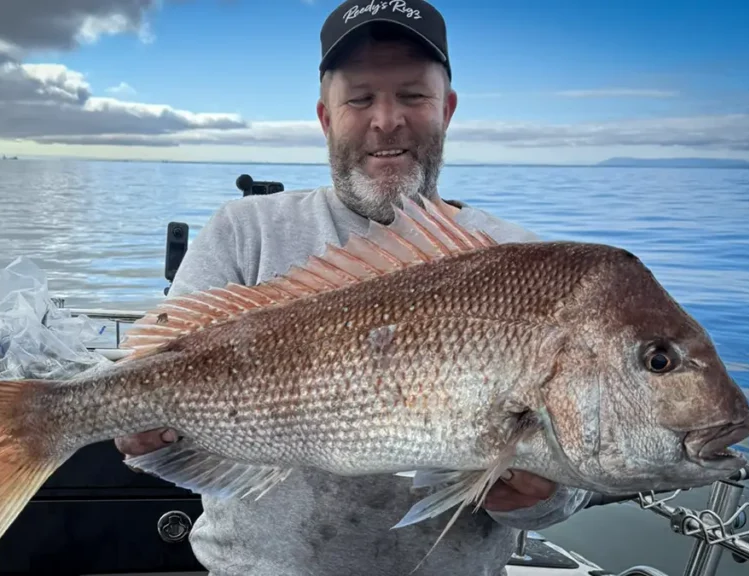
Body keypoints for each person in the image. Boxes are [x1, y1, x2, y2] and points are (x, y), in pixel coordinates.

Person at [116, 1, 591, 574]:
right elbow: (149, 381)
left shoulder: (522, 263)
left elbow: (569, 480)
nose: (386, 119)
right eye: (360, 98)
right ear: (325, 117)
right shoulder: (244, 232)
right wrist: (137, 433)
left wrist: (545, 496)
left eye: (413, 96)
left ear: (449, 109)